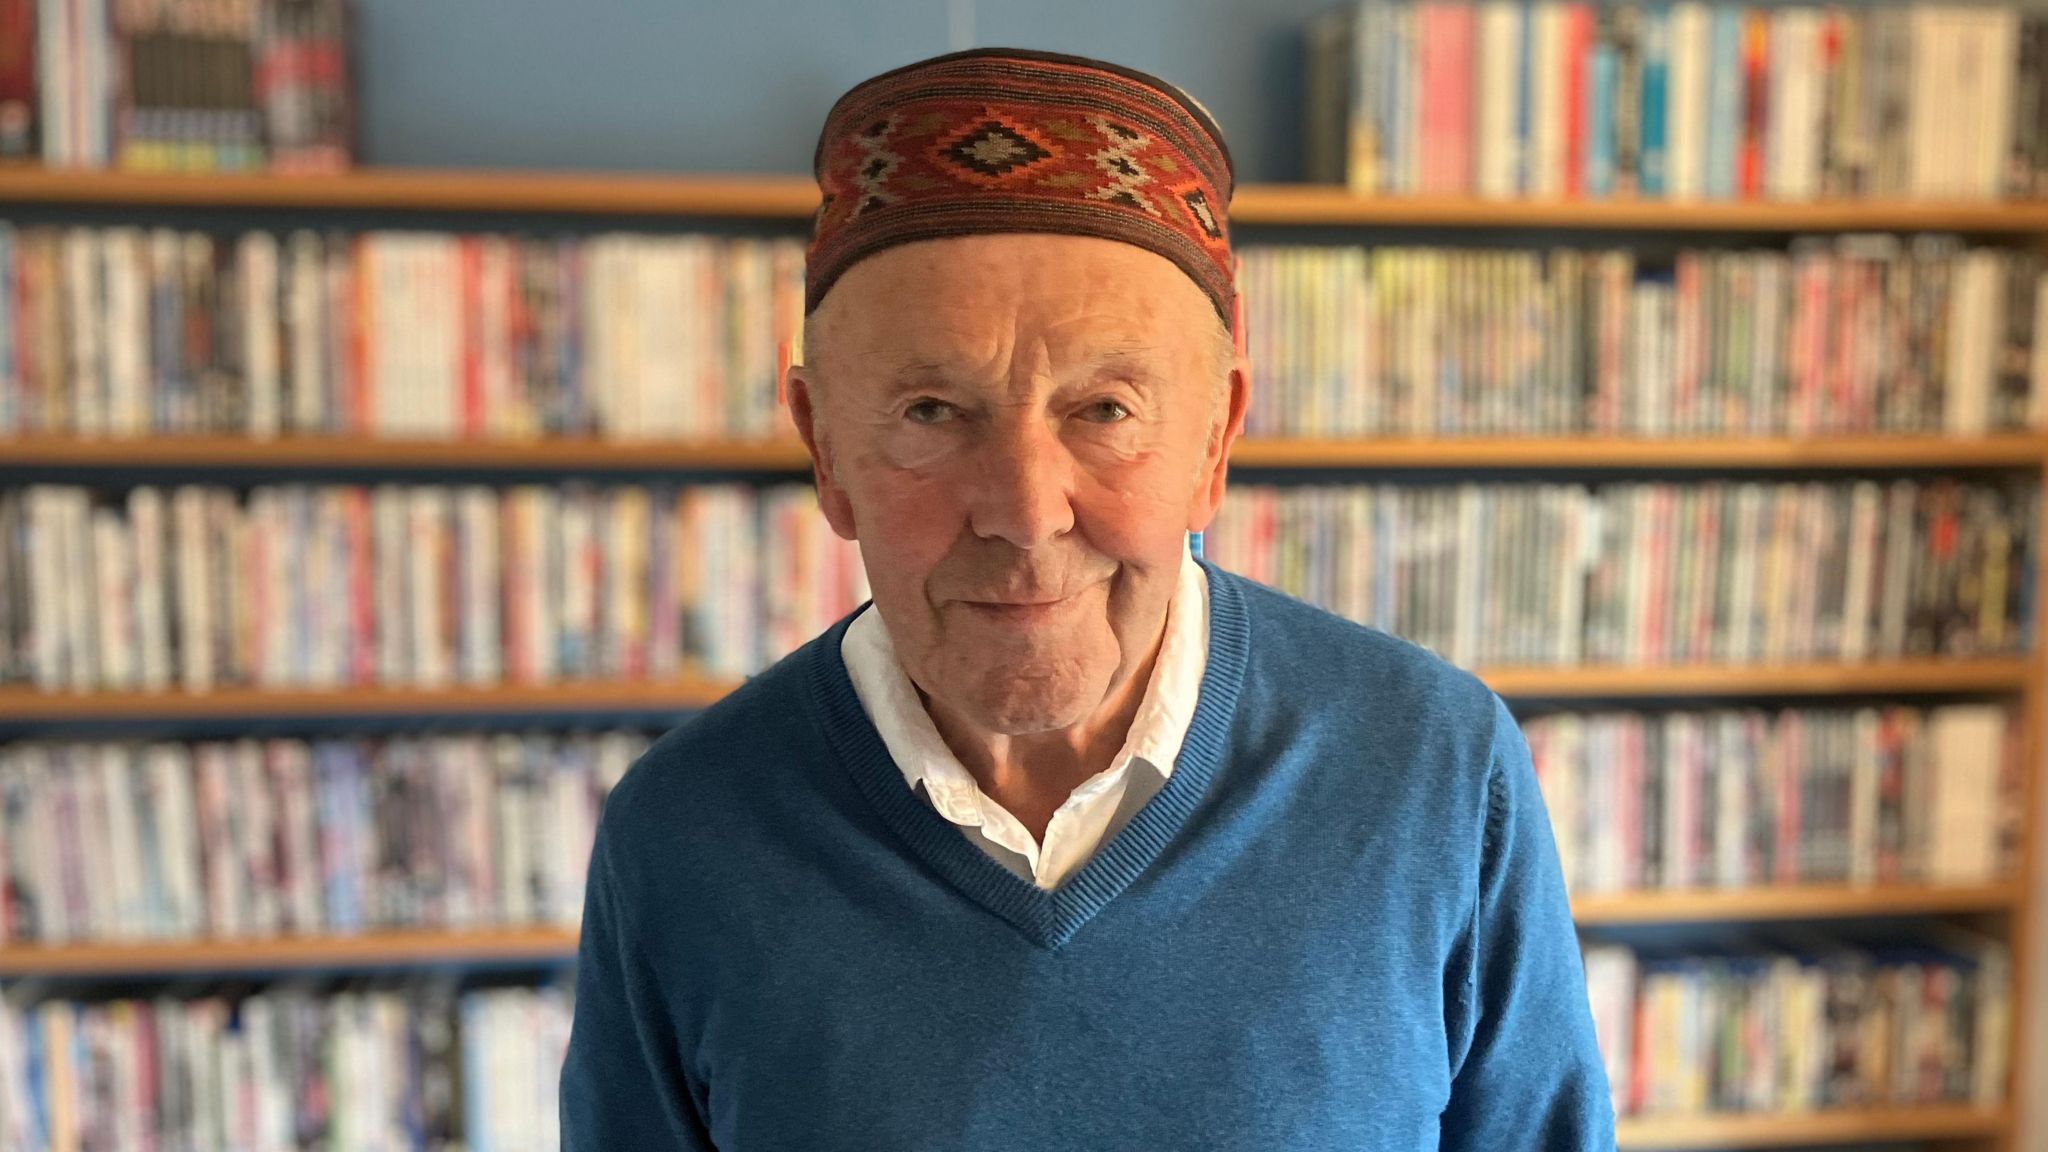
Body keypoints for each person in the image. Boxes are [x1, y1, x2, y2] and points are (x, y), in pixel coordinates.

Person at [560, 47, 1615, 1151]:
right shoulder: (681, 832)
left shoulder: (1432, 769)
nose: (1023, 510)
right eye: (929, 412)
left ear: (1212, 443)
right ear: (825, 450)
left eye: (1103, 411)